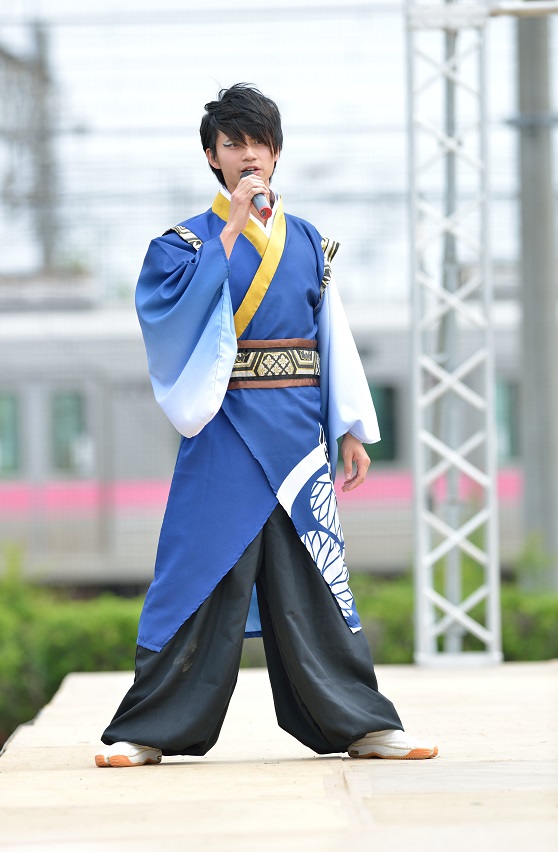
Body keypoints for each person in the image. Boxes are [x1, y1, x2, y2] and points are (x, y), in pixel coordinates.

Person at [95, 83, 437, 767]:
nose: (248, 155)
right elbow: (167, 322)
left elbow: (328, 334)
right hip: (222, 434)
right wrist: (227, 235)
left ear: (276, 153)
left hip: (297, 437)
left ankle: (363, 724)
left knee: (317, 581)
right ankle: (147, 730)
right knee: (194, 579)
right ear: (213, 157)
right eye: (233, 144)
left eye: (259, 142)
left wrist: (347, 428)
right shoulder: (183, 244)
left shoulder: (308, 240)